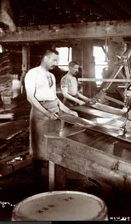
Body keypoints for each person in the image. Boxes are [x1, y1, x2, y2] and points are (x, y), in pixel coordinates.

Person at [24, 49, 78, 191]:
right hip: (40, 113)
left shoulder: (51, 76)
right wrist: (47, 113)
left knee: (57, 147)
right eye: (54, 60)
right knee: (38, 150)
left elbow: (54, 98)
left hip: (54, 111)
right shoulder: (33, 73)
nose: (56, 63)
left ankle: (59, 185)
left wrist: (67, 110)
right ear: (46, 58)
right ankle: (36, 186)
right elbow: (30, 98)